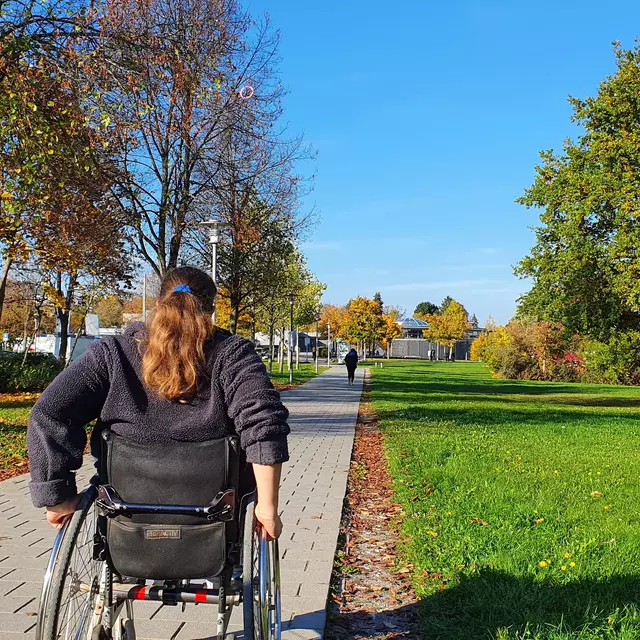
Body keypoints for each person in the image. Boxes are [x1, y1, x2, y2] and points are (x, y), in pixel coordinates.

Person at [27, 266, 289, 540]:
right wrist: (267, 508)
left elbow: (50, 413)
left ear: (158, 304)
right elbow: (263, 423)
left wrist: (55, 495)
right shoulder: (233, 355)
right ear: (211, 310)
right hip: (217, 515)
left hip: (125, 512)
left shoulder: (113, 354)